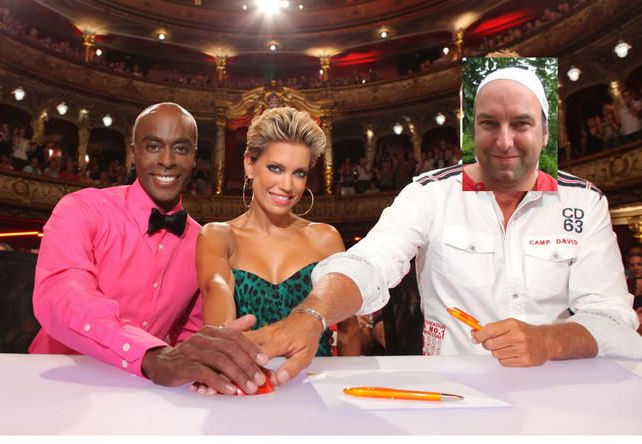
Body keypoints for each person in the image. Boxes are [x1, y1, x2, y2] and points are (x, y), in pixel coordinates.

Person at [246, 67, 642, 386]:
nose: (505, 142)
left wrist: (548, 340)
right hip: (454, 391)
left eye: (521, 123)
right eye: (490, 123)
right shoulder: (430, 193)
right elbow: (370, 261)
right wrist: (311, 315)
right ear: (472, 129)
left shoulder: (583, 201)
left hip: (558, 390)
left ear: (545, 130)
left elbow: (613, 320)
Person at [30, 102, 269, 395]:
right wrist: (153, 356)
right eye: (153, 147)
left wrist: (208, 363)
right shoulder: (81, 209)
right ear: (134, 153)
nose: (167, 160)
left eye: (181, 149)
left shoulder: (203, 242)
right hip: (56, 383)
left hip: (142, 392)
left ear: (194, 158)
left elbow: (190, 335)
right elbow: (64, 296)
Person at [196, 107, 362, 361]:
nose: (287, 185)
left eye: (299, 173)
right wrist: (224, 349)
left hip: (318, 380)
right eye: (275, 168)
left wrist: (346, 382)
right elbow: (216, 299)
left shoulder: (326, 239)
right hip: (247, 377)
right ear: (249, 165)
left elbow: (350, 331)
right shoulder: (219, 236)